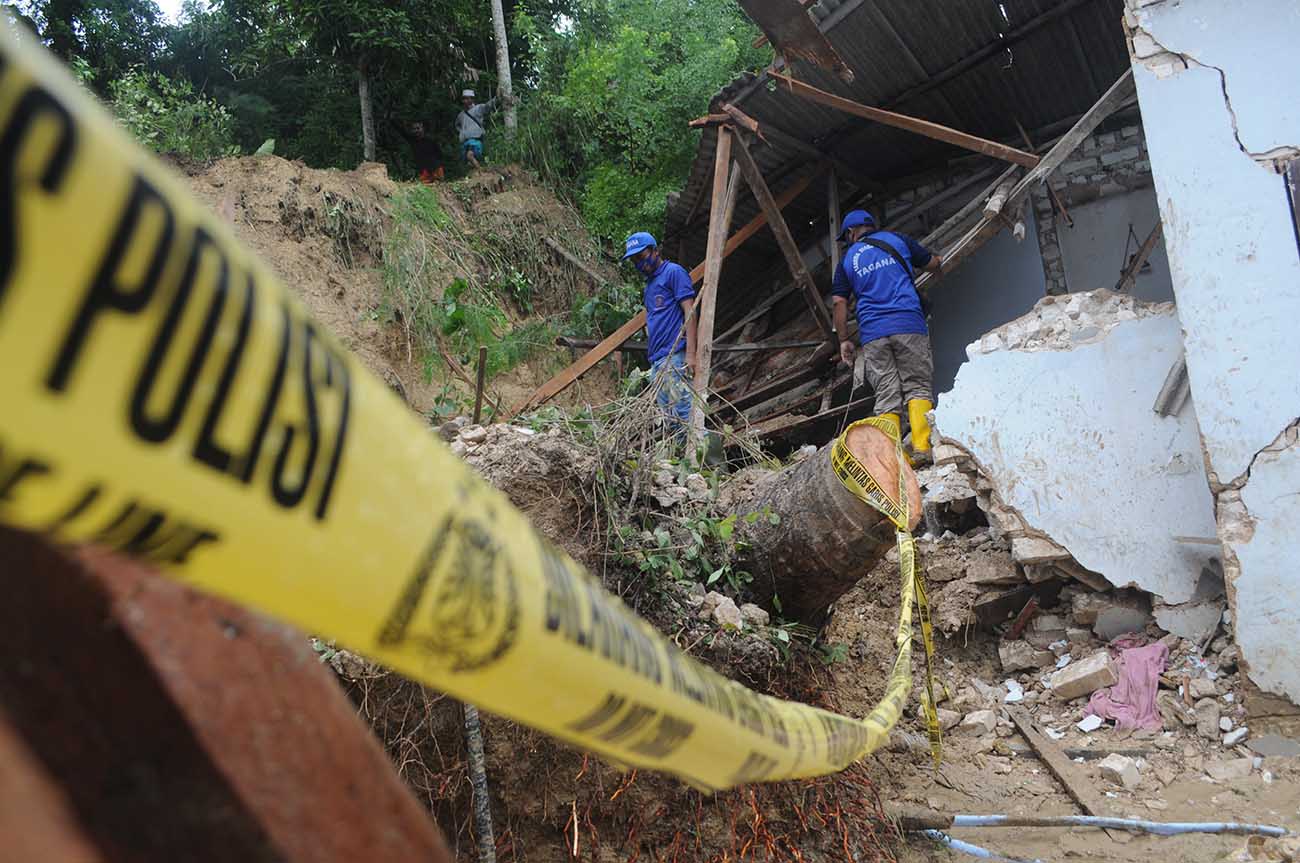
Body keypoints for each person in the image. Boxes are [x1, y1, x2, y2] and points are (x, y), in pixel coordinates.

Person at [831, 209, 943, 459]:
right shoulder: (898, 240)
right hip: (908, 324)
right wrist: (939, 261)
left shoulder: (848, 260)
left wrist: (843, 340)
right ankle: (922, 449)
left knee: (886, 394)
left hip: (873, 333)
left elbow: (839, 302)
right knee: (917, 386)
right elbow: (932, 263)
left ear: (850, 233)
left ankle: (894, 461)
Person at [622, 231, 696, 435]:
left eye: (642, 256)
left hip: (675, 356)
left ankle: (701, 460)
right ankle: (683, 462)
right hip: (658, 361)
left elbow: (690, 311)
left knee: (684, 413)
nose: (639, 263)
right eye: (634, 260)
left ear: (655, 251)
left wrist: (691, 354)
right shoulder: (650, 286)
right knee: (670, 421)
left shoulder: (673, 272)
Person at [391, 119, 444, 184]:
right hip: (424, 171)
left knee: (439, 185)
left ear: (423, 128)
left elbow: (439, 154)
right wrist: (391, 120)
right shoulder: (412, 140)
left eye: (418, 128)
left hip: (435, 169)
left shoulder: (431, 140)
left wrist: (437, 167)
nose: (416, 131)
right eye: (414, 129)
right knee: (422, 186)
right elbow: (402, 131)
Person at [455, 89, 496, 168]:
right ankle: (479, 175)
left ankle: (481, 171)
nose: (465, 100)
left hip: (475, 140)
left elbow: (487, 106)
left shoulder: (478, 108)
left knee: (469, 156)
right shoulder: (461, 115)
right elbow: (457, 125)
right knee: (469, 164)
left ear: (472, 99)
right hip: (465, 142)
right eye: (464, 98)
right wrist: (462, 132)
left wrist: (496, 98)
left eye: (467, 98)